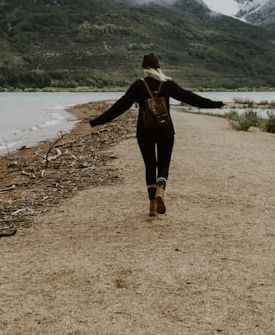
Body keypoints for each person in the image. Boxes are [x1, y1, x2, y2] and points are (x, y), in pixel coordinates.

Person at [89, 53, 225, 217]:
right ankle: (161, 189)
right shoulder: (166, 84)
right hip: (165, 131)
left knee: (149, 166)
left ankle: (152, 206)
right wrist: (215, 104)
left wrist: (96, 121)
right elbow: (189, 97)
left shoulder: (138, 85)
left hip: (144, 132)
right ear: (158, 67)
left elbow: (120, 107)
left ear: (144, 69)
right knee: (163, 165)